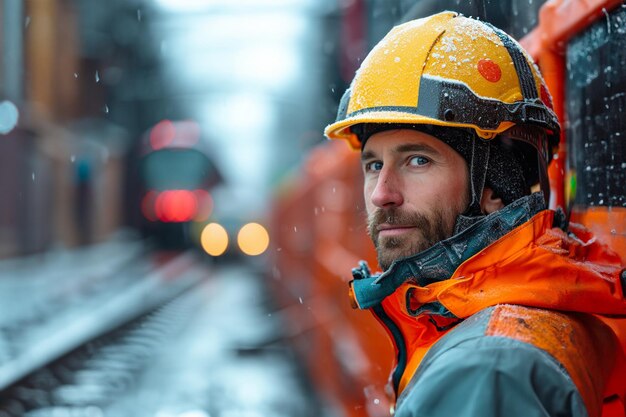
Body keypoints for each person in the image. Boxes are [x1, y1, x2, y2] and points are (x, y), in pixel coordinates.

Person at [324, 11, 626, 417]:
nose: (382, 195)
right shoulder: (516, 313)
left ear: (496, 189)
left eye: (417, 160)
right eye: (374, 165)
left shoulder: (486, 373)